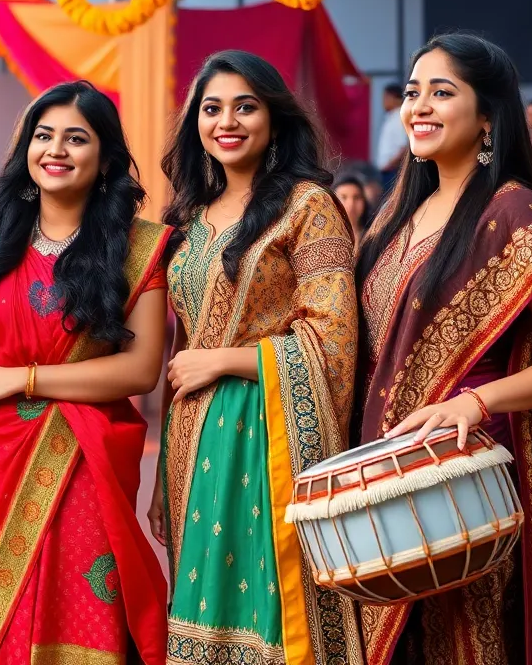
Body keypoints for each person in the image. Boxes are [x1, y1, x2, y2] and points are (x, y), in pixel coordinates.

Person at [354, 33, 532, 663]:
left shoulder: (512, 211)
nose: (420, 106)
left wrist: (474, 403)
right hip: (390, 487)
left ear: (489, 115)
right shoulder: (396, 218)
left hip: (470, 487)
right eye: (413, 92)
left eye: (443, 92)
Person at [0, 81, 172, 664]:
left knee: (86, 627)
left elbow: (140, 371)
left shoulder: (140, 247)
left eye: (76, 138)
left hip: (88, 470)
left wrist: (23, 379)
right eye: (44, 136)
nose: (56, 150)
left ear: (106, 159)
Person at [152, 50, 363, 662]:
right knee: (199, 610)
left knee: (270, 609)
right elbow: (181, 346)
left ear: (274, 117)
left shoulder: (307, 206)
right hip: (194, 440)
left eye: (246, 106)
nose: (228, 121)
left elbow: (334, 336)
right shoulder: (189, 219)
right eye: (212, 107)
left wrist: (223, 362)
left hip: (271, 436)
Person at [374, 83, 408, 186]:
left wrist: (389, 166)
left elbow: (404, 147)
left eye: (386, 97)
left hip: (392, 171)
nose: (383, 101)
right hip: (387, 170)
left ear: (395, 98)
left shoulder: (399, 118)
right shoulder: (391, 117)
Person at [333, 171, 373, 243]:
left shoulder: (373, 237)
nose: (351, 204)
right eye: (343, 197)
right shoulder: (327, 237)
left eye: (357, 197)